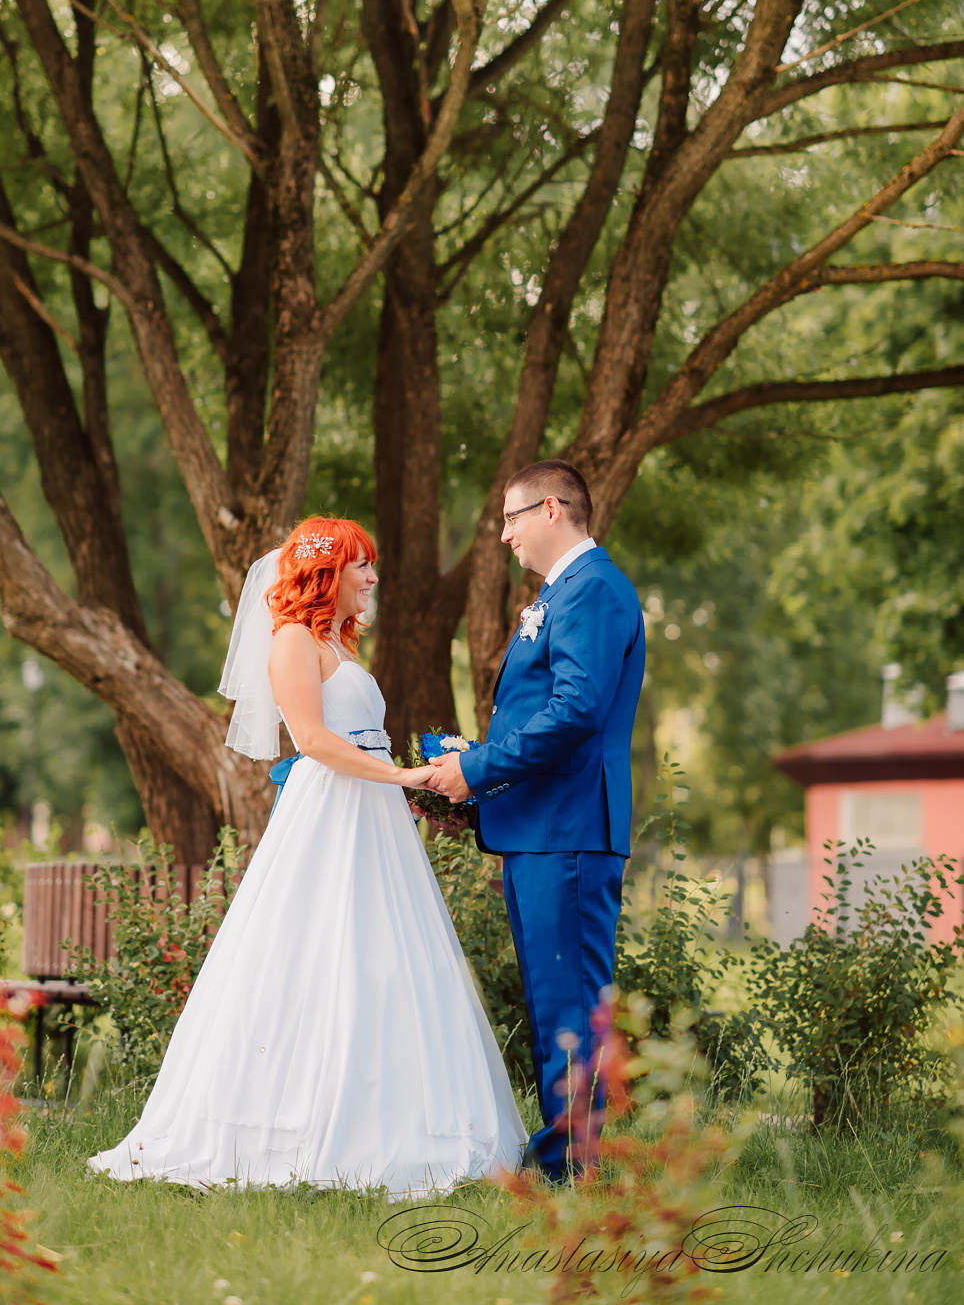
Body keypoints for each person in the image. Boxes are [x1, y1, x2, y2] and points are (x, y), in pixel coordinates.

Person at [88, 517, 524, 1197]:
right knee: (318, 956)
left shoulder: (338, 646)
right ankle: (297, 1130)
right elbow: (315, 741)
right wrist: (405, 778)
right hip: (329, 815)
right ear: (326, 573)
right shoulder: (292, 640)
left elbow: (362, 741)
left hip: (373, 815)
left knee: (385, 961)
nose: (374, 579)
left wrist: (405, 790)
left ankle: (402, 1123)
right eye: (362, 567)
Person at [427, 461, 644, 1182]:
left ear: (551, 509)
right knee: (554, 999)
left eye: (511, 517)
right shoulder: (565, 592)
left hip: (571, 830)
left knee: (571, 1004)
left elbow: (577, 712)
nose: (503, 534)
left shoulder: (594, 590)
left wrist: (481, 769)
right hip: (541, 828)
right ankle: (561, 1158)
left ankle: (567, 1170)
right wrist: (478, 784)